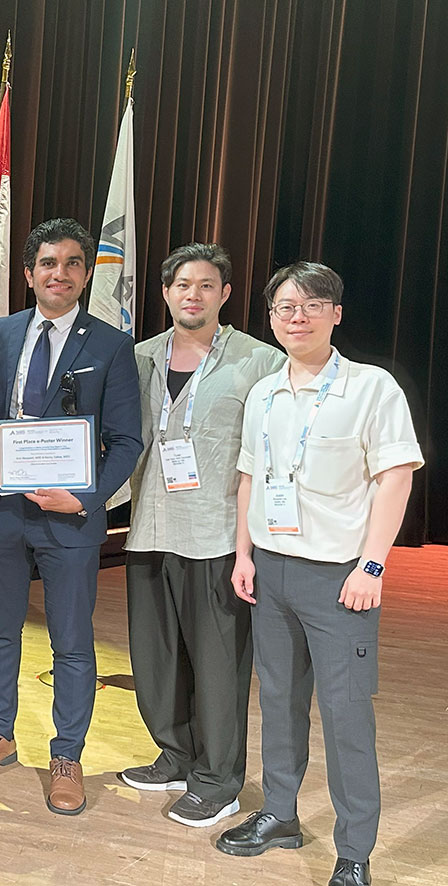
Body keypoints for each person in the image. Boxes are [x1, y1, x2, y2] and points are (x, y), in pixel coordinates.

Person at [216, 262, 422, 886]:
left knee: (345, 714)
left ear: (336, 313)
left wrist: (371, 564)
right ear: (271, 317)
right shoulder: (264, 392)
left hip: (340, 580)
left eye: (310, 305)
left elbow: (396, 476)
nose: (295, 317)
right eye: (283, 307)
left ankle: (354, 850)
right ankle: (279, 815)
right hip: (271, 572)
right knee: (277, 703)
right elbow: (250, 476)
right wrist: (244, 553)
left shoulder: (372, 388)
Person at [0, 218, 142, 815]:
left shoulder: (112, 343)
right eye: (47, 263)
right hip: (3, 514)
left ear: (87, 274)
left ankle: (67, 754)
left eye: (70, 263)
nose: (57, 274)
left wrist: (86, 498)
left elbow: (126, 440)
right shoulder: (1, 332)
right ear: (28, 272)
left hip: (70, 519)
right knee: (0, 631)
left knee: (70, 642)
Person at [120, 243, 284, 828]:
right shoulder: (136, 358)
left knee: (218, 665)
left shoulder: (259, 362)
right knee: (157, 659)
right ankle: (178, 754)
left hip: (218, 537)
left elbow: (270, 457)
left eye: (207, 285)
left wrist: (256, 543)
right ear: (165, 293)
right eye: (183, 285)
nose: (194, 294)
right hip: (148, 531)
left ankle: (219, 781)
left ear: (225, 294)